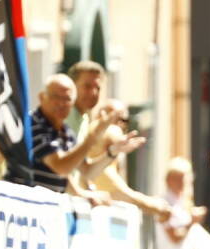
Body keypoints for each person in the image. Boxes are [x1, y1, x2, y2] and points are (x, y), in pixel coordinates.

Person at [8, 74, 124, 203]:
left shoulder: (66, 132)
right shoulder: (33, 124)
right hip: (24, 207)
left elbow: (87, 171)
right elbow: (60, 166)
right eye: (56, 97)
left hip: (47, 209)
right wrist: (92, 137)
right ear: (42, 97)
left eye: (67, 99)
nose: (61, 103)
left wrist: (112, 152)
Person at [81, 98, 166, 215]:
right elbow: (114, 189)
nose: (121, 125)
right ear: (101, 116)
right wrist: (151, 204)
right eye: (117, 118)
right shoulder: (111, 131)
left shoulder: (93, 138)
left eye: (125, 120)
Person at [65, 60, 105, 139]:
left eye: (98, 88)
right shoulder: (61, 117)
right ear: (72, 85)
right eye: (87, 86)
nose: (94, 93)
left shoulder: (84, 118)